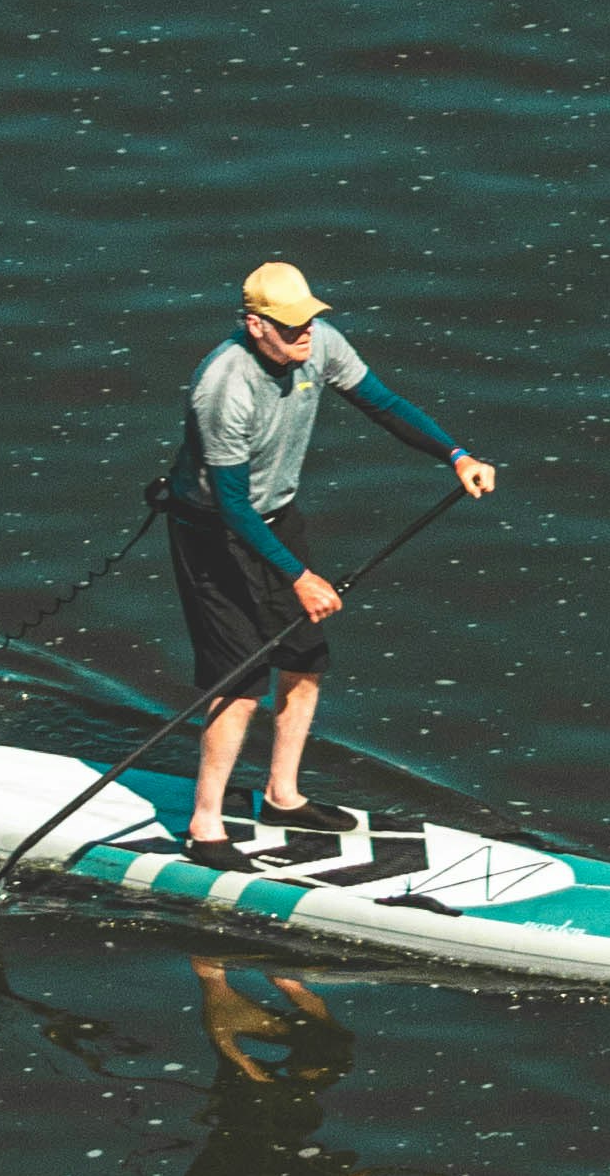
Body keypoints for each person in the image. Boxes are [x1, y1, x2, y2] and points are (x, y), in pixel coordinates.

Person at [167, 262, 496, 855]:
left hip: (276, 518)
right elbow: (234, 506)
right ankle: (205, 823)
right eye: (291, 327)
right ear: (254, 324)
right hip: (213, 531)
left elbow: (384, 404)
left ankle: (282, 796)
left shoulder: (318, 346)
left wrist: (455, 454)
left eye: (310, 322)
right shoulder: (224, 386)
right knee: (240, 682)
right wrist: (298, 576)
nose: (306, 336)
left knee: (305, 658)